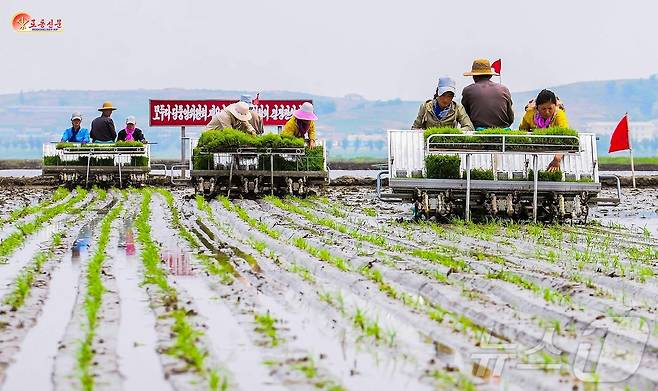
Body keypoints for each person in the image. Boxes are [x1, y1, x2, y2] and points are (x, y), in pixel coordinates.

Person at [519, 89, 570, 172]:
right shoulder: (530, 114)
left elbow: (565, 138)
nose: (547, 112)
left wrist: (557, 159)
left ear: (555, 106)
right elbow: (522, 131)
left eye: (550, 108)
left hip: (555, 149)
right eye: (543, 109)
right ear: (537, 107)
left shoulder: (559, 115)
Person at [461, 59, 514, 130]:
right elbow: (511, 119)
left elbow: (465, 116)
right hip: (503, 132)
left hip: (479, 132)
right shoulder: (504, 89)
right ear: (490, 76)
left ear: (474, 76)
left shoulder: (468, 90)